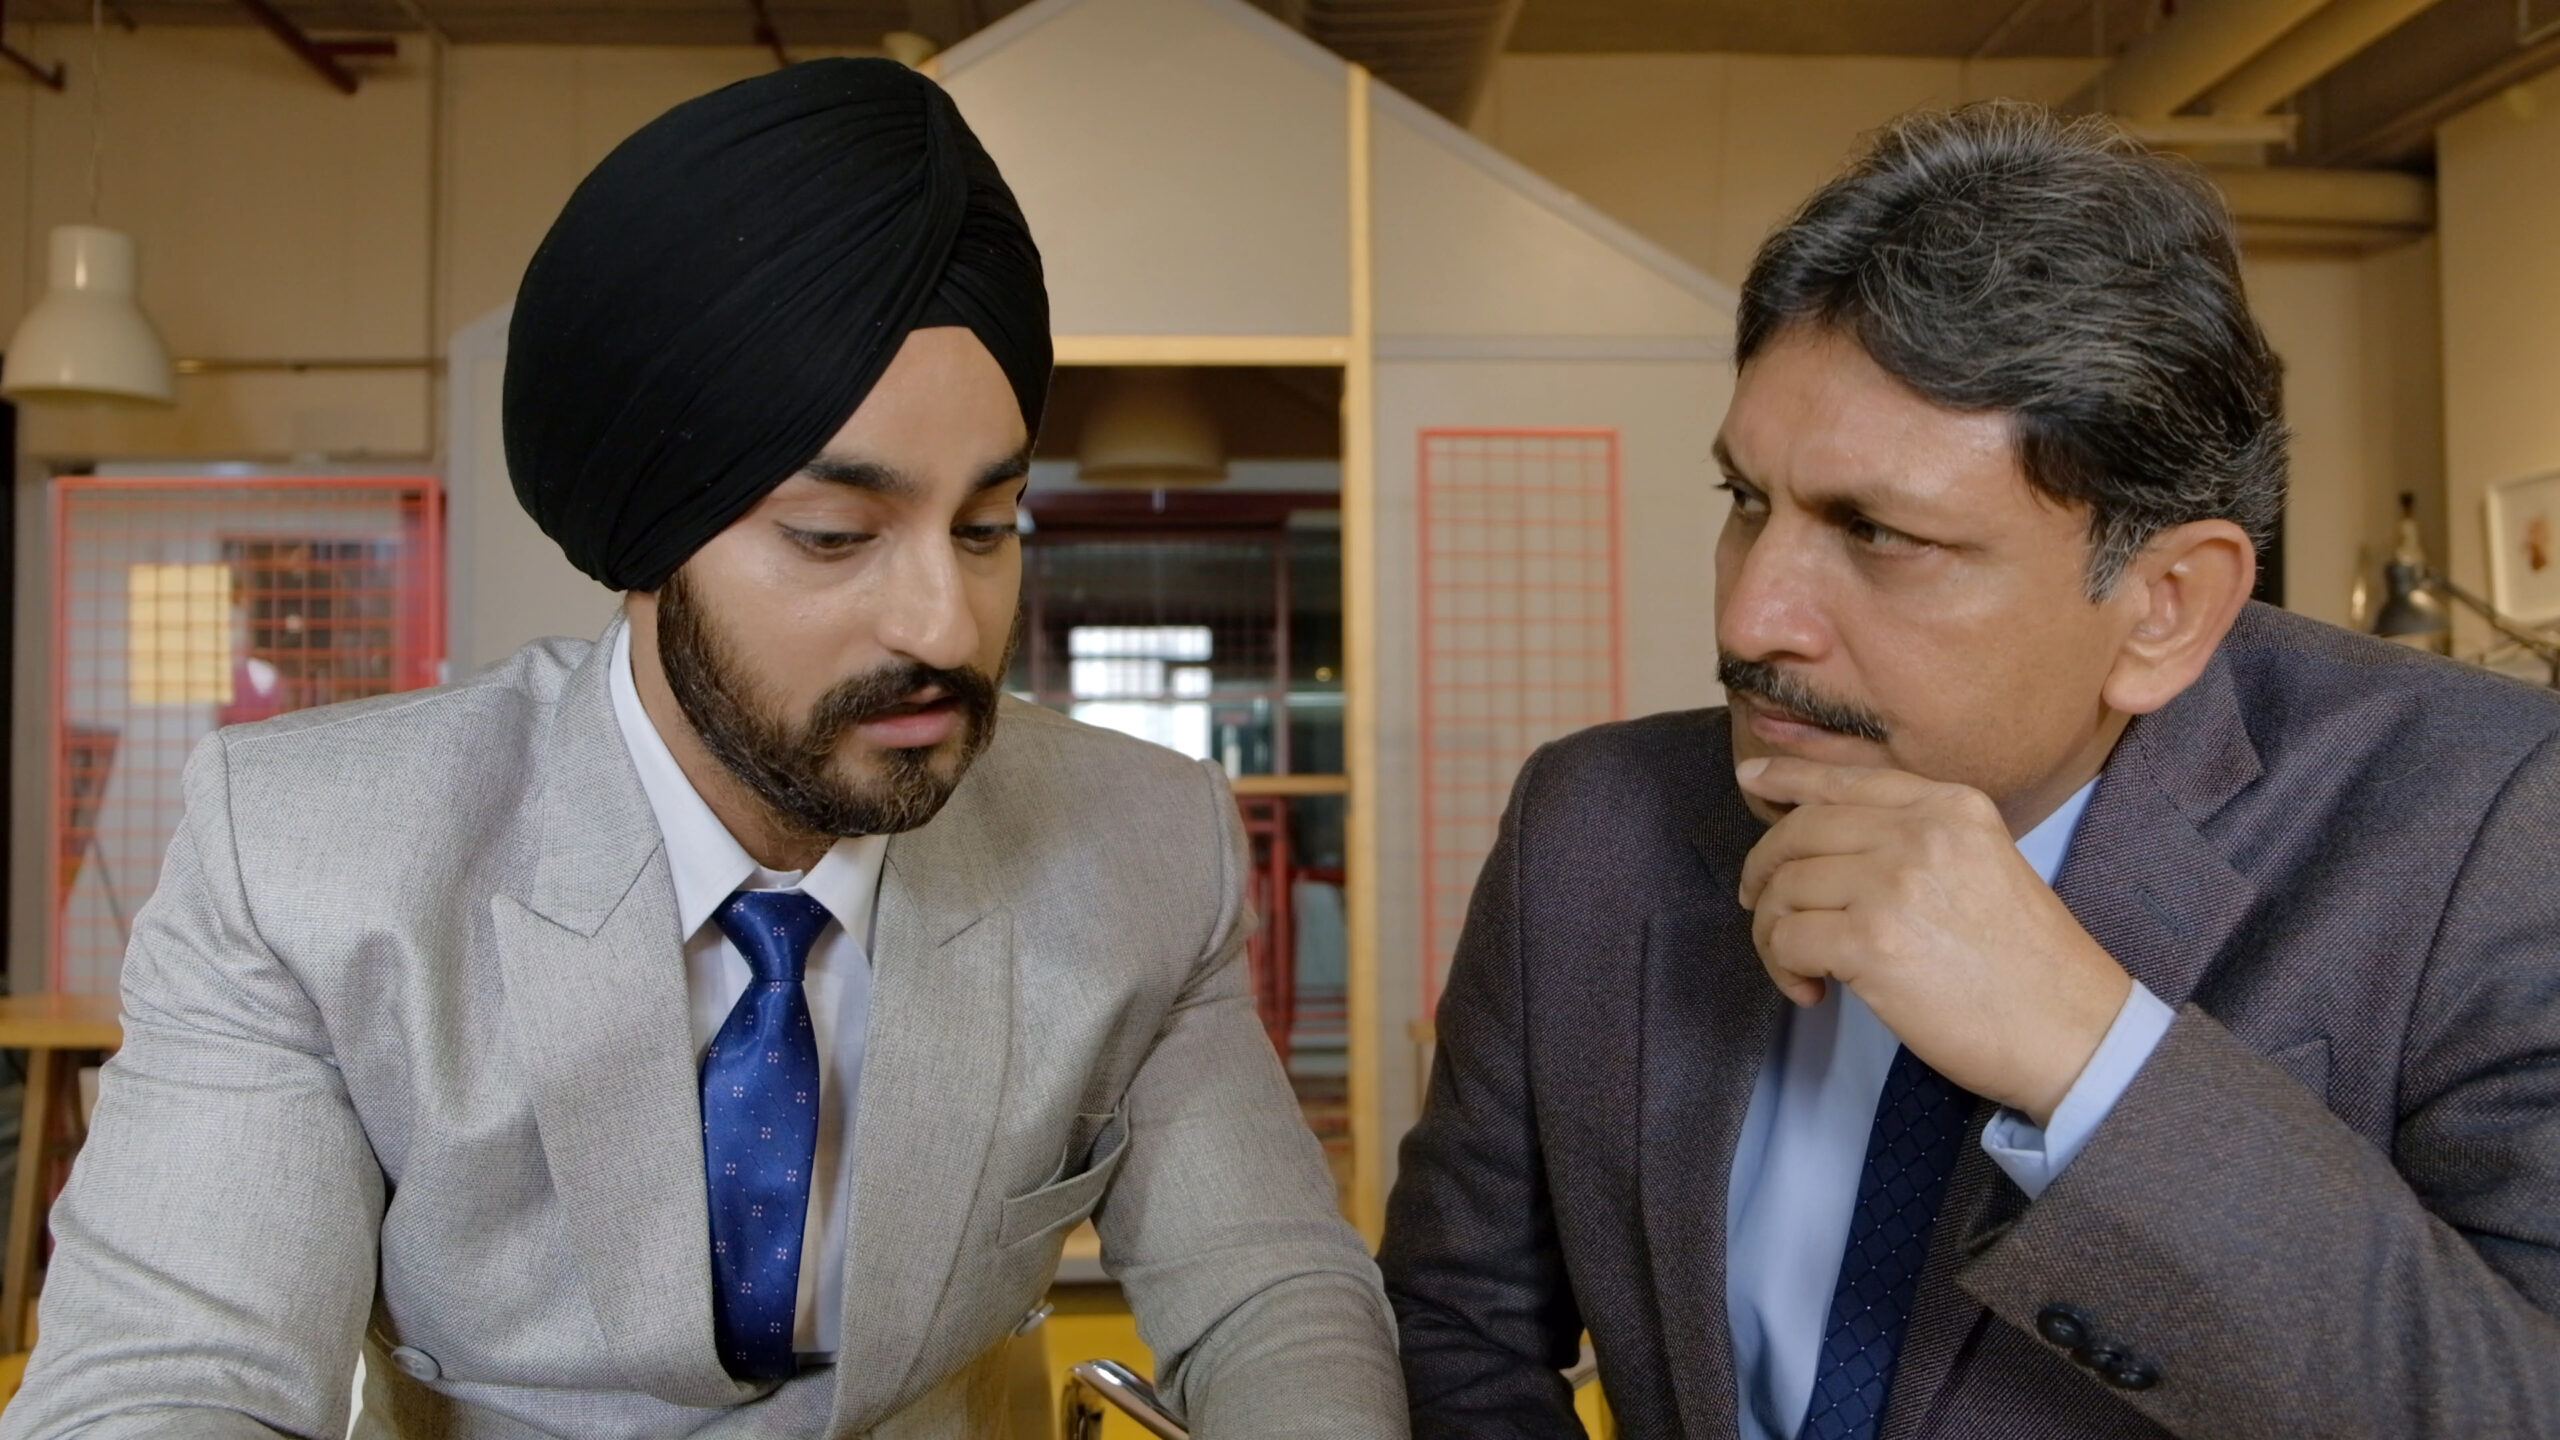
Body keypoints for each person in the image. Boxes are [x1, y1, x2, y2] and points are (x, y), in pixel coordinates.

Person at [10, 60, 1404, 1440]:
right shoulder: (314, 858)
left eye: (987, 527)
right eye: (834, 536)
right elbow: (170, 1381)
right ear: (648, 547)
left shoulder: (1139, 847)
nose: (946, 622)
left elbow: (1274, 1294)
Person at [1379, 101, 2560, 1439]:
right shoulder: (1591, 822)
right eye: (1747, 501)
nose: (1752, 619)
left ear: (2164, 606)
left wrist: (2094, 1058)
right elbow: (1458, 1323)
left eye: (1879, 534)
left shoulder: (2487, 829)